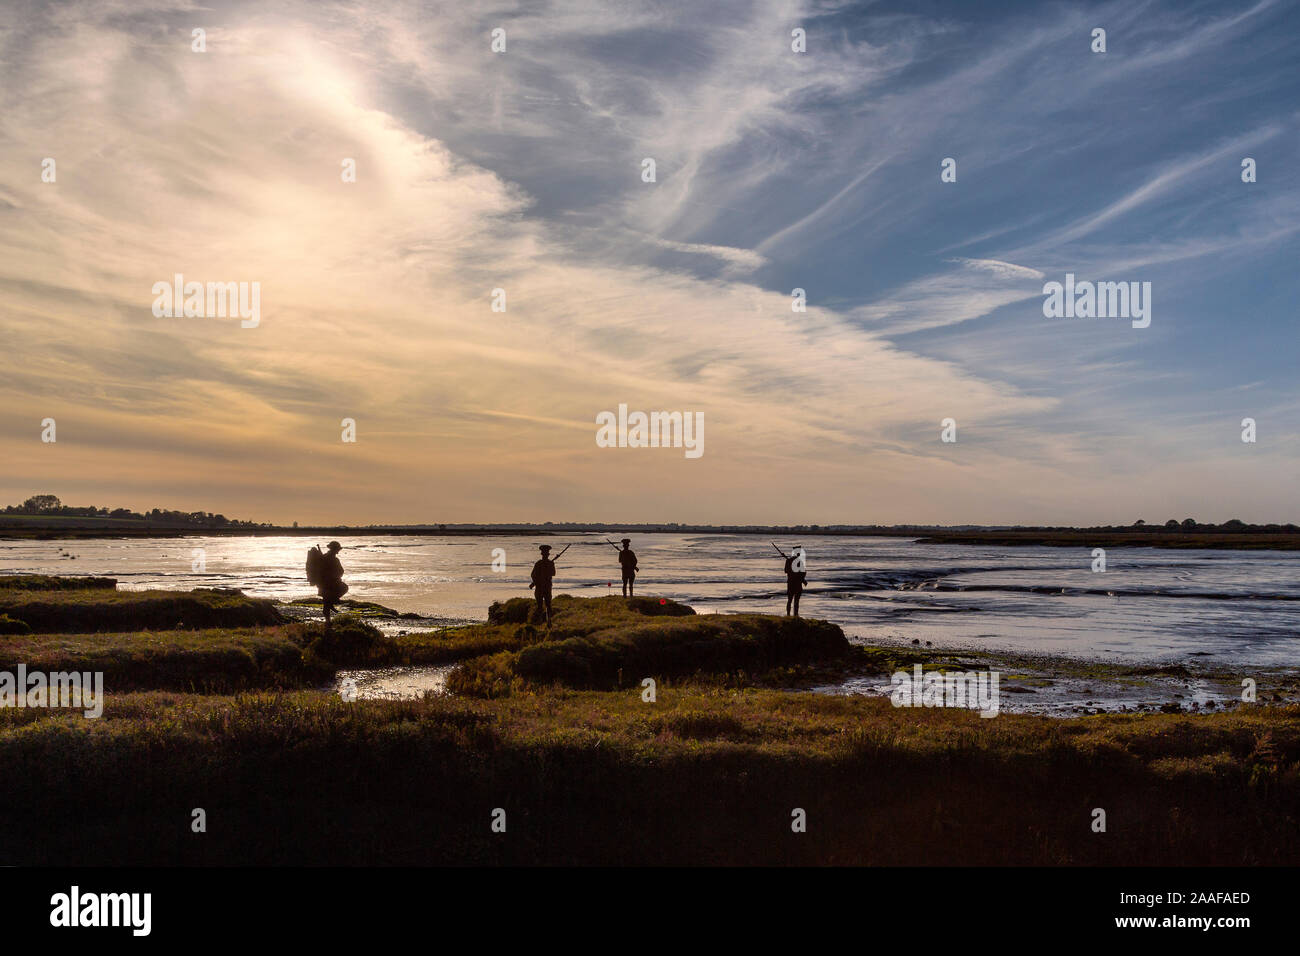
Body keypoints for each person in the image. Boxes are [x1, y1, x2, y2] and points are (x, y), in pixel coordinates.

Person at [529, 543, 566, 626]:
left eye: (546, 554)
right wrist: (536, 581)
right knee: (543, 605)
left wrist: (547, 570)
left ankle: (548, 622)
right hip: (542, 587)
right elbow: (533, 575)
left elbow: (553, 573)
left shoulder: (547, 563)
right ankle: (542, 622)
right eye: (545, 554)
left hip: (544, 587)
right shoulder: (540, 564)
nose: (545, 556)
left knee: (546, 605)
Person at [772, 543, 807, 617]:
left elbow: (788, 571)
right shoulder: (797, 561)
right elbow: (802, 573)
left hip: (792, 582)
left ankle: (792, 615)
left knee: (791, 600)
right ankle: (792, 615)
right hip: (795, 583)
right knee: (793, 600)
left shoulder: (792, 561)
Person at [318, 541, 348, 625]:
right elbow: (340, 571)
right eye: (337, 549)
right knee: (344, 588)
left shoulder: (324, 557)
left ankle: (328, 620)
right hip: (330, 584)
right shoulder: (332, 559)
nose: (338, 551)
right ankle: (333, 603)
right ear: (334, 549)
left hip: (323, 584)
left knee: (326, 602)